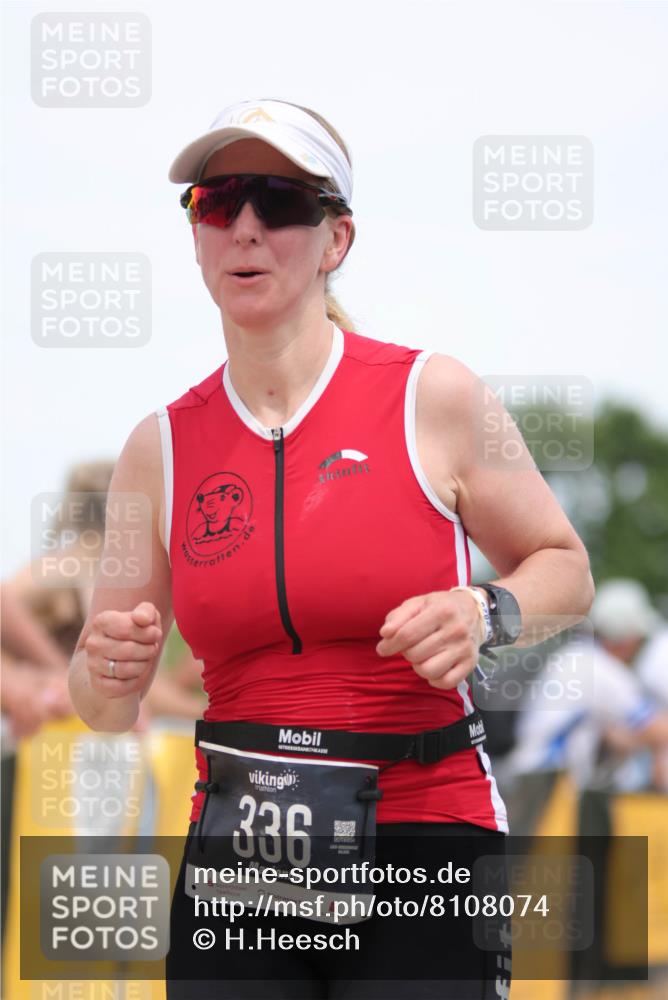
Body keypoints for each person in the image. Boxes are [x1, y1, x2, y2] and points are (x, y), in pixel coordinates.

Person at [67, 98, 594, 999]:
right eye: (217, 200)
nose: (244, 227)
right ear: (194, 234)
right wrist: (104, 674)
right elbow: (102, 703)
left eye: (277, 201)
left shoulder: (435, 396)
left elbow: (567, 569)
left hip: (424, 837)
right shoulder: (156, 449)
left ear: (335, 239)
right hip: (244, 862)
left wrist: (484, 608)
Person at [506, 578, 668, 792]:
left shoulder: (575, 657)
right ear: (626, 638)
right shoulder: (603, 670)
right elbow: (658, 731)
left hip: (529, 777)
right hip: (547, 784)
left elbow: (616, 736)